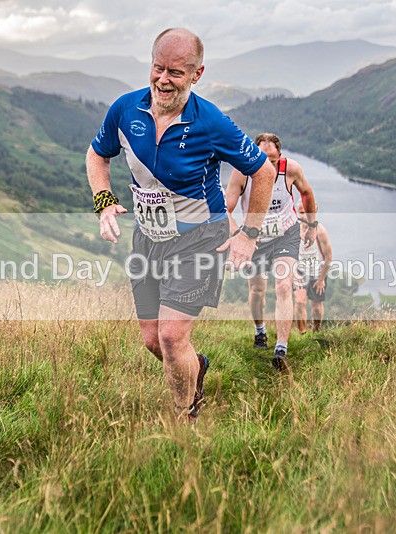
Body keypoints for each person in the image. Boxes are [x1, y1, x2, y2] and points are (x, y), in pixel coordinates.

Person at [86, 28, 277, 420]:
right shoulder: (125, 110)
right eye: (158, 68)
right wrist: (103, 200)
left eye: (176, 72)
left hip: (199, 240)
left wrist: (250, 233)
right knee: (153, 340)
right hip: (149, 239)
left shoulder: (211, 122)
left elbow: (264, 171)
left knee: (173, 339)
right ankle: (196, 368)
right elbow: (96, 154)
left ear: (197, 74)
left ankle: (185, 418)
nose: (163, 79)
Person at [224, 133, 317, 372]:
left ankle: (281, 349)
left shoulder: (291, 169)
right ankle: (260, 331)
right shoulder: (242, 173)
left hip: (285, 234)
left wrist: (312, 226)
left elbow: (306, 193)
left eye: (273, 160)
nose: (269, 165)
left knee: (284, 285)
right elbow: (227, 209)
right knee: (257, 289)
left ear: (280, 157)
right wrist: (238, 236)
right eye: (263, 160)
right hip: (254, 238)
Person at [293, 204, 333, 333]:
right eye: (301, 212)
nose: (304, 215)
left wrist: (321, 280)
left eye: (308, 212)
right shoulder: (293, 229)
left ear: (314, 213)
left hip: (317, 272)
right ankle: (302, 333)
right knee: (299, 302)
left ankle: (316, 330)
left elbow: (328, 257)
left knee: (316, 306)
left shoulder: (320, 231)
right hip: (299, 271)